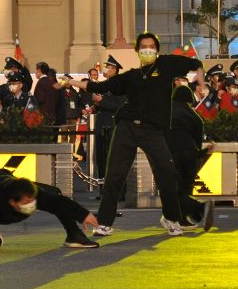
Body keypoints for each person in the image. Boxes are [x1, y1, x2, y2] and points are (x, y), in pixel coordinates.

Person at [67, 32, 203, 236]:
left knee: (167, 172)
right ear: (138, 51)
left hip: (153, 130)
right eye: (143, 47)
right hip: (127, 128)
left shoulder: (166, 65)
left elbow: (196, 64)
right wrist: (71, 83)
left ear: (156, 50)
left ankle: (171, 218)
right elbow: (100, 86)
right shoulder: (130, 76)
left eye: (151, 47)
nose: (148, 50)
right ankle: (104, 223)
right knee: (115, 175)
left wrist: (201, 81)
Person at [166, 85, 216, 230]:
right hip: (189, 155)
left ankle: (199, 208)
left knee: (173, 190)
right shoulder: (194, 116)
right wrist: (201, 152)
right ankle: (184, 220)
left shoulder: (165, 113)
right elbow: (197, 140)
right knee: (185, 188)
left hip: (170, 154)